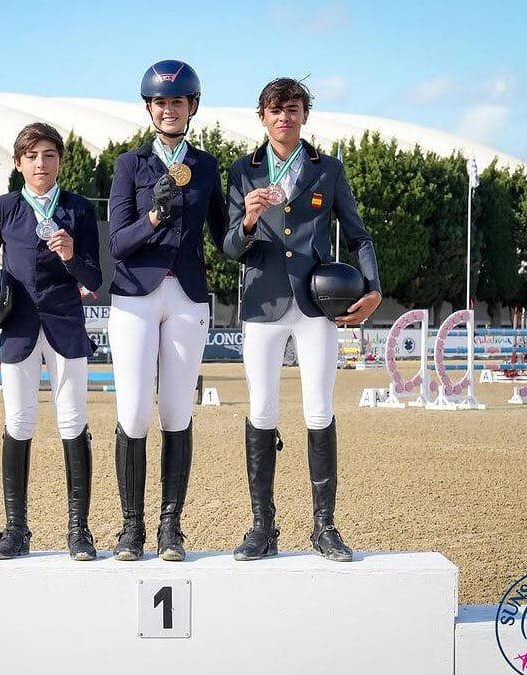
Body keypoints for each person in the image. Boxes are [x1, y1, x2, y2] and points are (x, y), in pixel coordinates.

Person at [223, 78, 382, 563]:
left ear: (304, 116)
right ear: (262, 117)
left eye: (292, 109)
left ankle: (324, 527)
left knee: (318, 409)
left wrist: (373, 288)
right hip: (262, 303)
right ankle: (262, 527)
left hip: (316, 305)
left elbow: (359, 235)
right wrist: (247, 221)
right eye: (275, 110)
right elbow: (229, 248)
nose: (284, 118)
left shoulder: (328, 169)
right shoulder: (241, 172)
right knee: (262, 408)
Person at [0, 123, 103, 561]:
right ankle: (16, 529)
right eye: (33, 156)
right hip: (17, 327)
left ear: (60, 162)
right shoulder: (6, 207)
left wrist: (72, 255)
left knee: (72, 421)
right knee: (19, 423)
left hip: (65, 325)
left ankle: (79, 530)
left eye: (50, 155)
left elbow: (94, 278)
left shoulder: (76, 209)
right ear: (19, 164)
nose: (42, 163)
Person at [107, 59, 227, 561]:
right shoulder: (128, 165)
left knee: (177, 410)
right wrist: (154, 216)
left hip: (187, 296)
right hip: (135, 294)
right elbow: (117, 242)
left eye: (178, 101)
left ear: (191, 107)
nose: (169, 109)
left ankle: (170, 527)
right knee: (134, 412)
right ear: (150, 108)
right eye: (161, 102)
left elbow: (224, 236)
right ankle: (131, 528)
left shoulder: (207, 167)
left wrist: (255, 226)